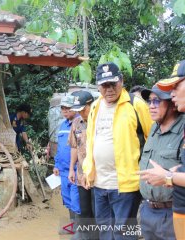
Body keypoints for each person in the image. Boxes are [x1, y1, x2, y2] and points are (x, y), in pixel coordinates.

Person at [82, 62, 152, 239]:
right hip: (99, 184)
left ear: (121, 81)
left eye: (113, 83)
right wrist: (87, 170)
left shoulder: (135, 105)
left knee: (125, 233)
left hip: (126, 185)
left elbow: (152, 138)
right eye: (104, 85)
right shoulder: (96, 106)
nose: (109, 89)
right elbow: (91, 140)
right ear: (98, 85)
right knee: (104, 230)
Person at [140, 59, 185, 239]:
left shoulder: (182, 128)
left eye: (157, 101)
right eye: (149, 101)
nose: (151, 106)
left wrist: (168, 176)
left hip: (172, 211)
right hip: (149, 210)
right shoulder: (153, 128)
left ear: (172, 105)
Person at [68, 90, 97, 240]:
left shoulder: (100, 121)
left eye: (83, 109)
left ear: (91, 104)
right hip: (81, 175)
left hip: (98, 176)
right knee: (85, 212)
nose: (81, 112)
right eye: (78, 110)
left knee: (99, 213)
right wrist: (71, 169)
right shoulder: (76, 123)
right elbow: (74, 146)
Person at [52, 95, 80, 235]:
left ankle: (80, 229)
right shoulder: (63, 125)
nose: (64, 111)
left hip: (75, 170)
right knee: (67, 199)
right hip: (63, 170)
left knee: (76, 200)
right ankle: (73, 226)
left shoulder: (80, 123)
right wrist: (56, 165)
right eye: (63, 108)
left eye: (67, 108)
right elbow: (60, 147)